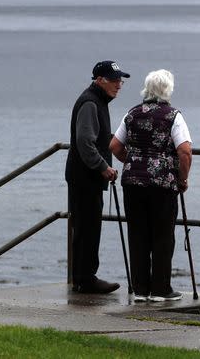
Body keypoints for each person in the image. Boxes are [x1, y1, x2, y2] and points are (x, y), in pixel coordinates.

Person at [109, 69, 192, 303]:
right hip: (162, 184)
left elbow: (115, 146)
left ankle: (140, 289)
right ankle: (160, 289)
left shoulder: (132, 113)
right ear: (168, 90)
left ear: (147, 89)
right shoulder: (173, 116)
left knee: (138, 234)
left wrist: (134, 162)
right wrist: (182, 179)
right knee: (163, 235)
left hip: (133, 183)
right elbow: (184, 151)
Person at [65, 60, 130, 294]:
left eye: (120, 80)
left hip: (85, 175)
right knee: (87, 227)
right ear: (99, 80)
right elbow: (85, 142)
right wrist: (104, 167)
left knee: (88, 226)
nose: (119, 85)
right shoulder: (91, 103)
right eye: (114, 80)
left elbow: (96, 137)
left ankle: (83, 277)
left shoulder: (96, 101)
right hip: (85, 176)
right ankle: (85, 278)